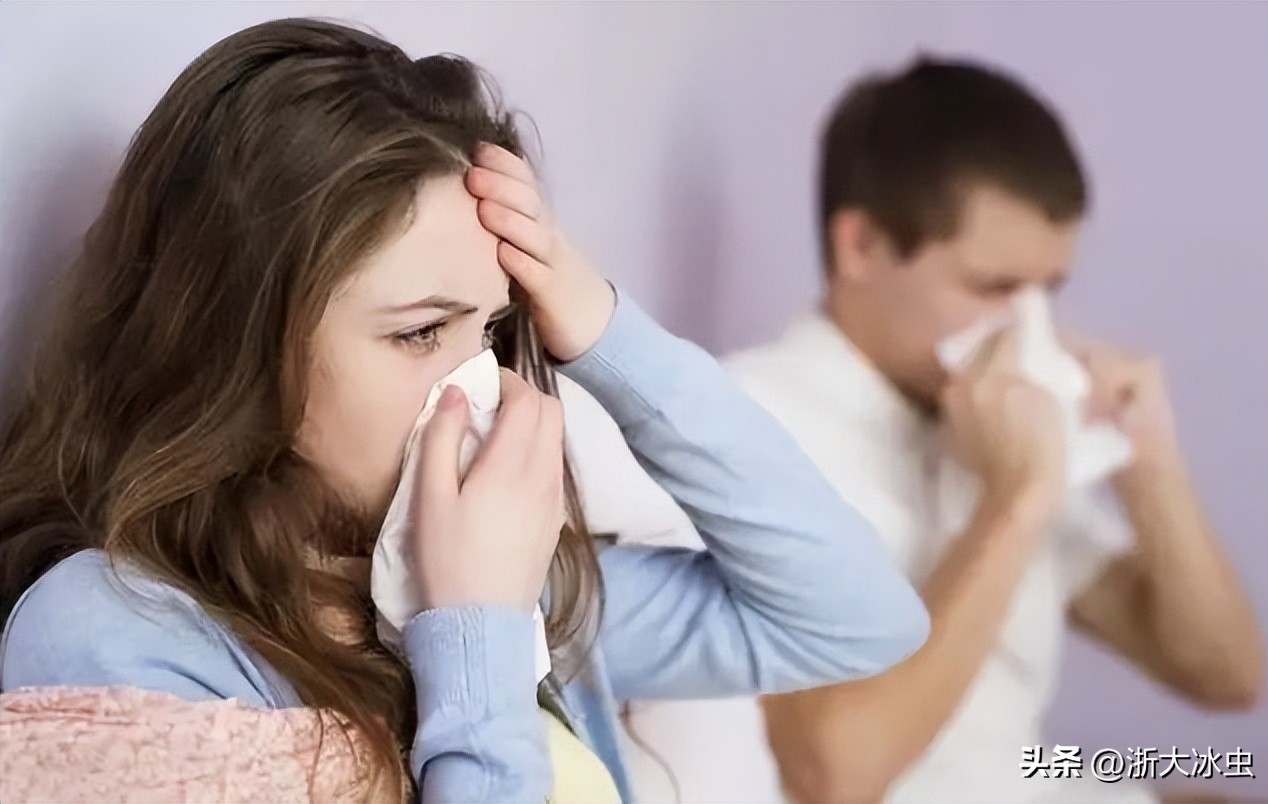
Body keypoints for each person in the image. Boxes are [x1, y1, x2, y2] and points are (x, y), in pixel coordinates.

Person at [0, 19, 931, 802]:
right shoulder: (110, 639)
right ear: (230, 344)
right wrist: (474, 633)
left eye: (491, 333)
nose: (478, 389)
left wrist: (601, 327)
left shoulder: (520, 588)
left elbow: (857, 618)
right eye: (417, 335)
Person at [623, 56, 1264, 804]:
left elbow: (1226, 678)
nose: (1028, 327)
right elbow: (834, 775)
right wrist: (1012, 505)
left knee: (1218, 791)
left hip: (1035, 781)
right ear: (860, 246)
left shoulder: (976, 421)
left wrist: (1150, 464)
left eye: (1046, 292)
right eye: (993, 288)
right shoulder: (750, 423)